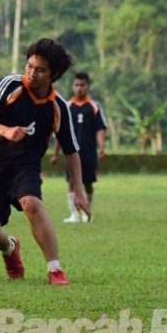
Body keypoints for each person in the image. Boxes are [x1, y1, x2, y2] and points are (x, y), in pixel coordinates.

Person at [0, 38, 90, 286]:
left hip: (25, 165)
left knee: (32, 203)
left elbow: (71, 151)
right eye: (30, 66)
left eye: (40, 70)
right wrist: (5, 131)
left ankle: (54, 269)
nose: (32, 73)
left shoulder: (59, 107)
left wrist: (79, 191)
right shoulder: (9, 86)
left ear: (53, 75)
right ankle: (10, 248)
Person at [51, 72, 107, 223]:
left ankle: (87, 213)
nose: (79, 88)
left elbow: (100, 129)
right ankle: (74, 215)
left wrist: (102, 148)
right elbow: (59, 132)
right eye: (76, 85)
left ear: (88, 87)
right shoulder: (67, 106)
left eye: (82, 85)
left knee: (88, 184)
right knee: (71, 183)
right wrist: (55, 154)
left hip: (88, 153)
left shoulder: (94, 107)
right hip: (70, 153)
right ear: (73, 87)